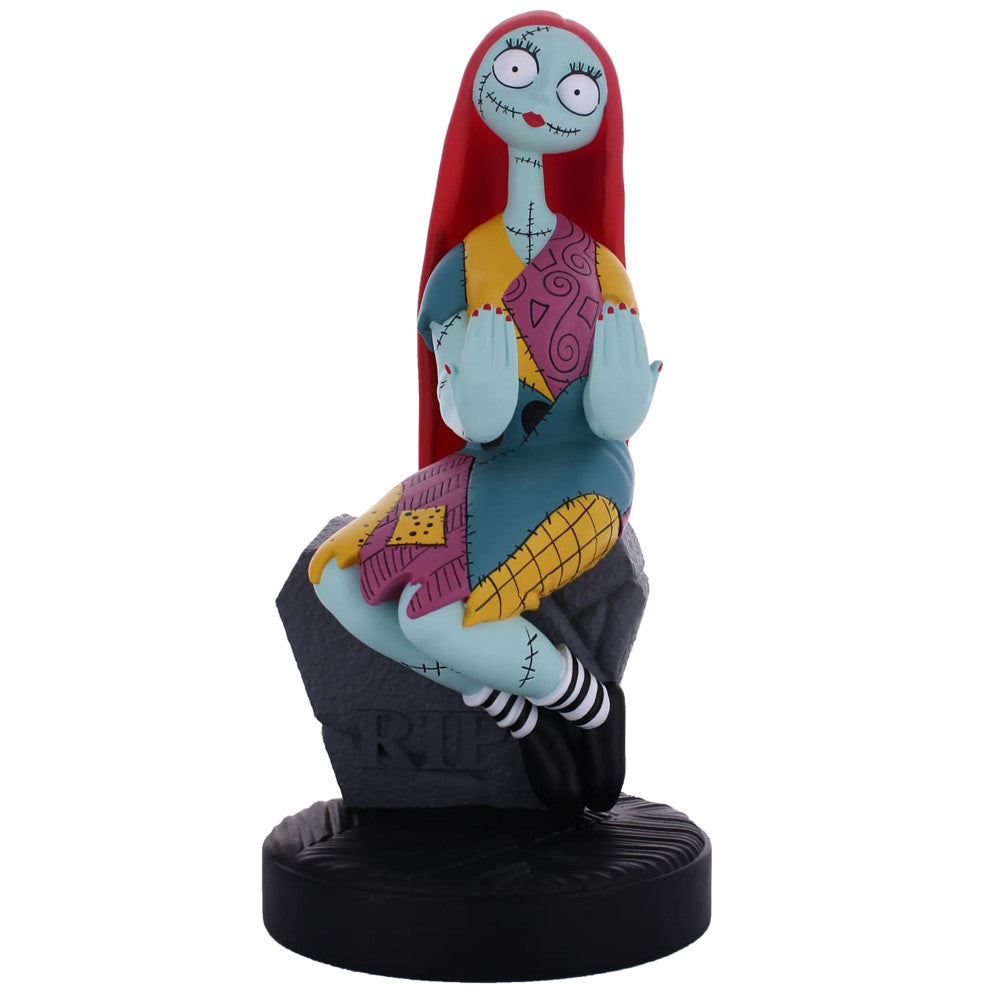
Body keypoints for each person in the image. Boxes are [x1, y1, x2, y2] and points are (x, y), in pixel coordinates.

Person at [309, 12, 660, 811]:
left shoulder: (600, 268)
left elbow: (614, 411)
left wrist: (621, 402)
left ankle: (588, 705)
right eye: (518, 74)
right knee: (337, 576)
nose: (541, 100)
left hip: (579, 474)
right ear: (481, 91)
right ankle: (515, 706)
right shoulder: (460, 272)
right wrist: (471, 403)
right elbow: (457, 401)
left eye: (575, 90)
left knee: (431, 618)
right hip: (483, 469)